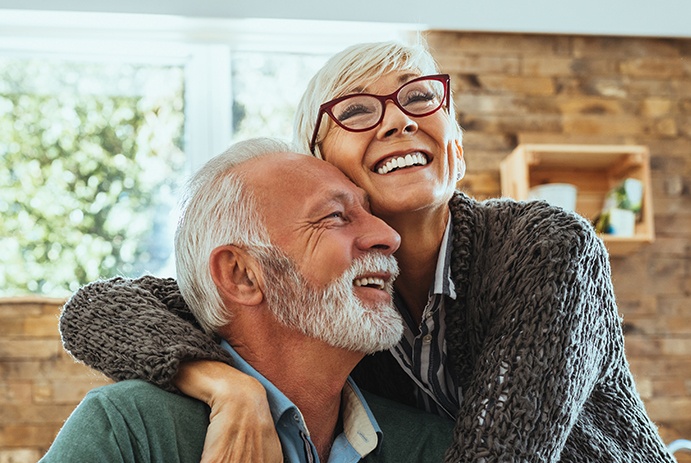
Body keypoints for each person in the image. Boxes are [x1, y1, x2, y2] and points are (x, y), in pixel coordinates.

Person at [59, 41, 675, 462]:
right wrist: (227, 386)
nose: (398, 122)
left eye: (419, 98)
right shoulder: (332, 298)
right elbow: (99, 310)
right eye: (357, 111)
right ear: (321, 165)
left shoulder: (543, 248)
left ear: (456, 146)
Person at [43, 138, 454, 462]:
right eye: (335, 217)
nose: (388, 236)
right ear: (241, 275)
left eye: (369, 212)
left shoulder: (433, 446)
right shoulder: (130, 429)